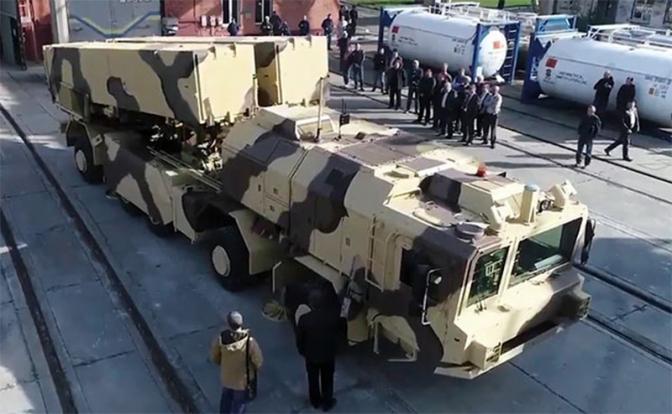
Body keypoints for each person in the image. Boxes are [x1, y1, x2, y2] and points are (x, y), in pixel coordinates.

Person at [296, 291, 346, 412]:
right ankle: (327, 402)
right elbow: (342, 330)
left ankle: (315, 401)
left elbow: (300, 339)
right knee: (327, 378)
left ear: (311, 304)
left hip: (311, 355)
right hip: (328, 354)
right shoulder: (333, 317)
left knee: (312, 379)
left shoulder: (304, 319)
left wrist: (303, 351)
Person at [210, 311, 263, 414]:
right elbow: (258, 360)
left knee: (226, 399)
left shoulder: (221, 338)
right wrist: (256, 369)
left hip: (227, 377)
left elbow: (214, 356)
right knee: (239, 404)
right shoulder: (249, 342)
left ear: (228, 324)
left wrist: (223, 364)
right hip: (242, 381)